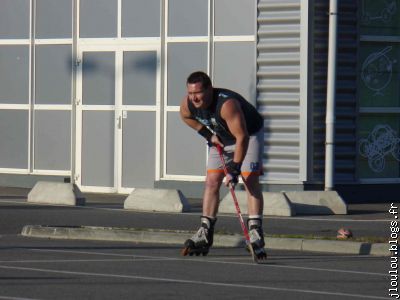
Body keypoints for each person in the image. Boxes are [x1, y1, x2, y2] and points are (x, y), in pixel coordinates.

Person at [179, 71, 266, 259]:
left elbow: (242, 138)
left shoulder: (227, 105)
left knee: (249, 179)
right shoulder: (188, 105)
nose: (194, 98)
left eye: (198, 93)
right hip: (223, 138)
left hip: (248, 135)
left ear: (209, 89)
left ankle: (255, 232)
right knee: (211, 181)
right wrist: (208, 135)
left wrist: (235, 169)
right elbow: (185, 117)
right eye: (191, 93)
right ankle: (205, 231)